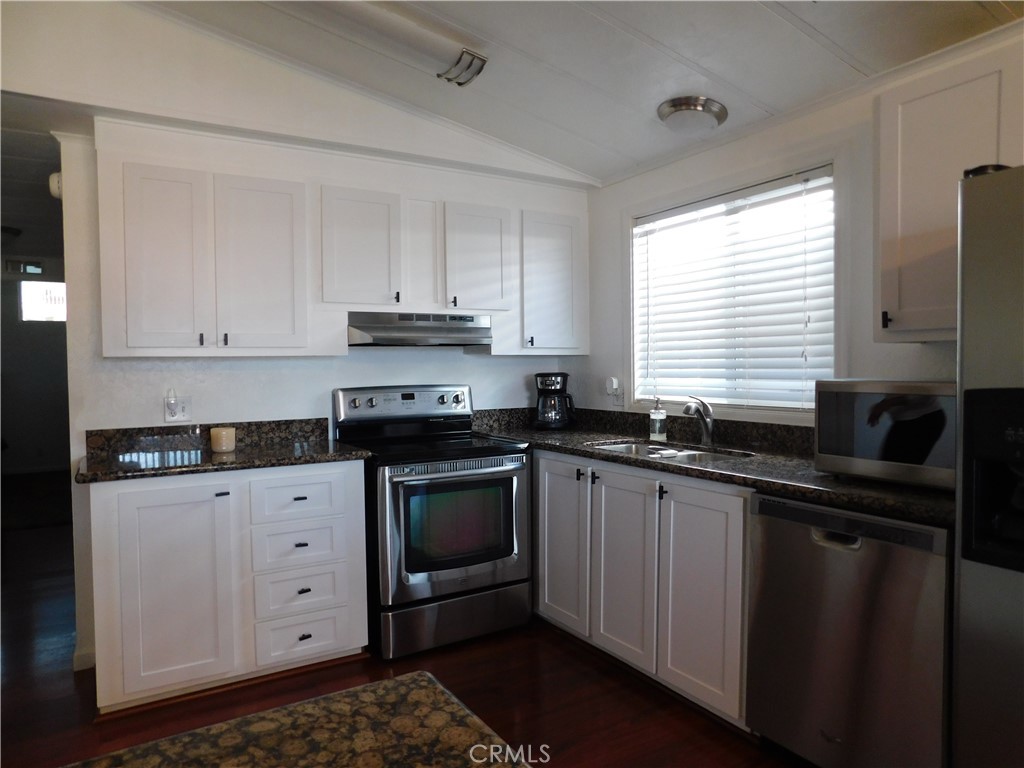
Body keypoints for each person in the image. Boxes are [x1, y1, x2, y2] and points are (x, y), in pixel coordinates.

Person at [866, 395, 946, 465]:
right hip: (910, 419)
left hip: (922, 419)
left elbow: (921, 393)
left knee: (894, 470)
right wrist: (883, 405)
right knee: (892, 468)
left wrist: (885, 404)